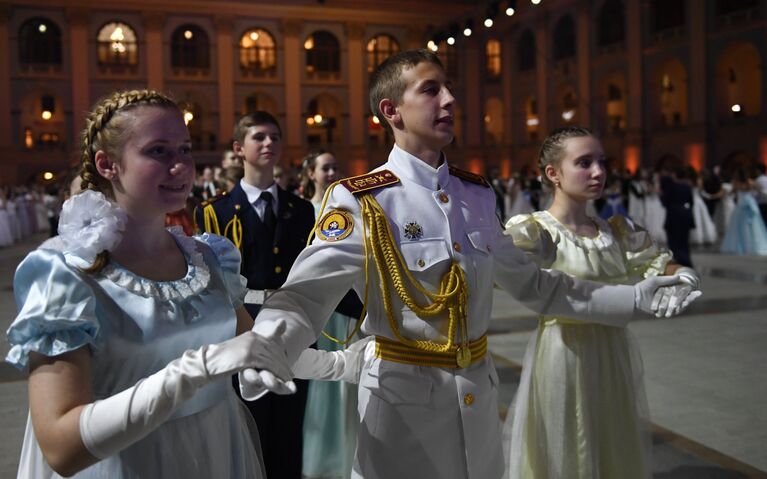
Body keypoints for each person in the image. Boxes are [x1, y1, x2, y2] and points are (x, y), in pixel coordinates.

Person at [238, 49, 698, 479]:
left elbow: (540, 287)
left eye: (449, 88)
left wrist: (635, 297)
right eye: (430, 89)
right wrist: (267, 344)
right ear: (391, 111)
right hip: (401, 409)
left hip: (477, 406)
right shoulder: (362, 199)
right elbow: (305, 294)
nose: (450, 99)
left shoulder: (474, 195)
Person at [4, 89, 297, 478]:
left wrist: (342, 365)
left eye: (185, 149)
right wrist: (196, 370)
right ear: (108, 164)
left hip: (216, 450)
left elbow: (253, 347)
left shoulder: (208, 257)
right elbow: (61, 447)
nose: (180, 166)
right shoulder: (66, 271)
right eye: (158, 151)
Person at [503, 127, 700, 479]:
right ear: (553, 174)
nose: (598, 172)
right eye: (584, 162)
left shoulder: (616, 231)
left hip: (613, 351)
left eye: (601, 162)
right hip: (564, 354)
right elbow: (508, 270)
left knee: (612, 440)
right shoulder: (534, 230)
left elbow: (658, 260)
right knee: (567, 446)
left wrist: (684, 275)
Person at [194, 111, 316, 479]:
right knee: (249, 427)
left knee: (291, 426)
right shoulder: (213, 212)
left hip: (291, 325)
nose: (269, 144)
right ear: (238, 148)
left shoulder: (301, 209)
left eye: (275, 137)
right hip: (240, 328)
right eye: (259, 137)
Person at [299, 150, 362, 479]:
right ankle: (322, 463)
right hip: (324, 314)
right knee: (324, 384)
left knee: (350, 387)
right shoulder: (304, 212)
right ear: (310, 173)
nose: (332, 172)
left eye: (336, 166)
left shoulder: (349, 212)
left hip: (351, 311)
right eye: (326, 167)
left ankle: (349, 459)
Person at [720, 167, 767, 255]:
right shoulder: (750, 182)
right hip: (750, 203)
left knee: (740, 226)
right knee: (753, 226)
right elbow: (760, 191)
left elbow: (732, 192)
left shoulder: (736, 182)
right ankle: (753, 246)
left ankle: (742, 246)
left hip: (742, 204)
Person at [659, 162, 695, 267]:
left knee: (673, 240)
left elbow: (665, 202)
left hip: (673, 215)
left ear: (675, 174)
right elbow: (691, 202)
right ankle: (686, 259)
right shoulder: (687, 187)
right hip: (685, 214)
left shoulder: (672, 186)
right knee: (684, 240)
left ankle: (678, 259)